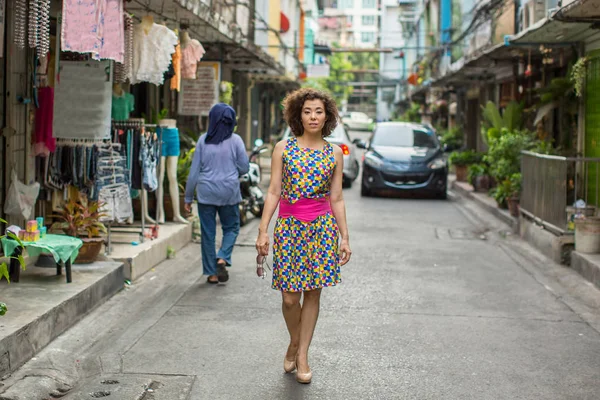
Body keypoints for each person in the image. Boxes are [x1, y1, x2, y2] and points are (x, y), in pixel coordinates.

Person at [255, 88, 352, 384]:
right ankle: (294, 342)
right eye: (308, 111)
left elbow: (337, 198)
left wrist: (344, 237)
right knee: (288, 298)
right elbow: (273, 191)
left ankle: (303, 354)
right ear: (298, 115)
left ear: (327, 117)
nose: (313, 116)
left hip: (322, 229)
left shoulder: (334, 153)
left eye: (319, 111)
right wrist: (263, 230)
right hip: (289, 227)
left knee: (313, 293)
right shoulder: (283, 148)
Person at [185, 103, 249, 284]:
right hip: (229, 191)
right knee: (232, 227)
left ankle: (212, 274)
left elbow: (194, 172)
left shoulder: (203, 140)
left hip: (206, 192)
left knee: (208, 233)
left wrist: (188, 197)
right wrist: (231, 171)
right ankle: (222, 257)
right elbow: (244, 168)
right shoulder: (236, 140)